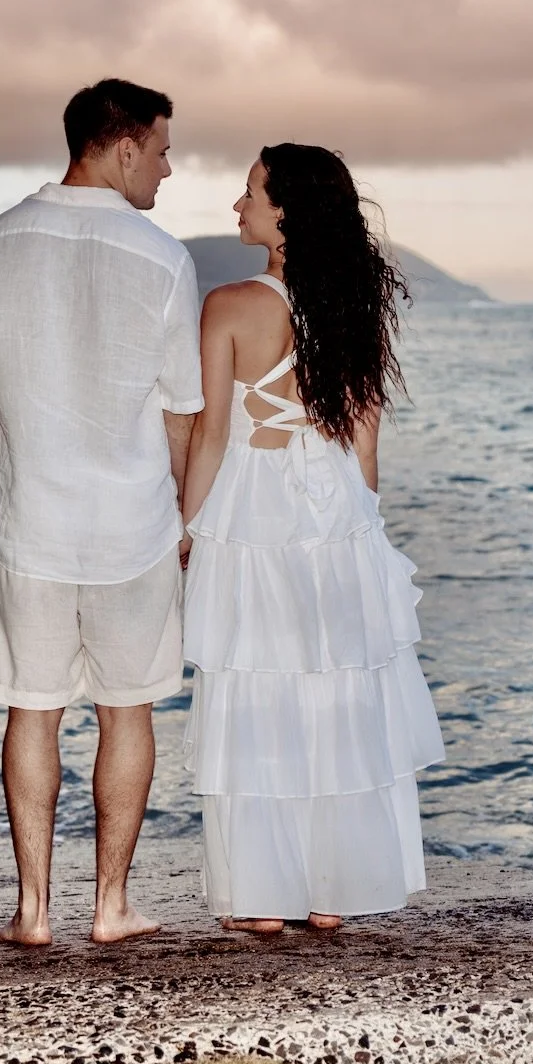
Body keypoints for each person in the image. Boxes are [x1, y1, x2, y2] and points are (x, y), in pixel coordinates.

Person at [0, 78, 204, 946]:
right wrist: (181, 509)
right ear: (123, 147)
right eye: (162, 150)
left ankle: (32, 912)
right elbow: (180, 411)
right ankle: (111, 907)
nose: (167, 169)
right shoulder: (164, 258)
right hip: (132, 524)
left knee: (32, 707)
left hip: (29, 523)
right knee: (129, 709)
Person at [179, 144, 445, 932]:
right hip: (338, 508)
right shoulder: (355, 303)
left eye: (251, 192)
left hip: (255, 508)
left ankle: (262, 898)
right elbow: (365, 442)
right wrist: (362, 523)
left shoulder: (229, 303)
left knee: (259, 692)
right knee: (336, 695)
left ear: (288, 210)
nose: (238, 205)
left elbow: (212, 435)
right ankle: (336, 892)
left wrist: (189, 529)